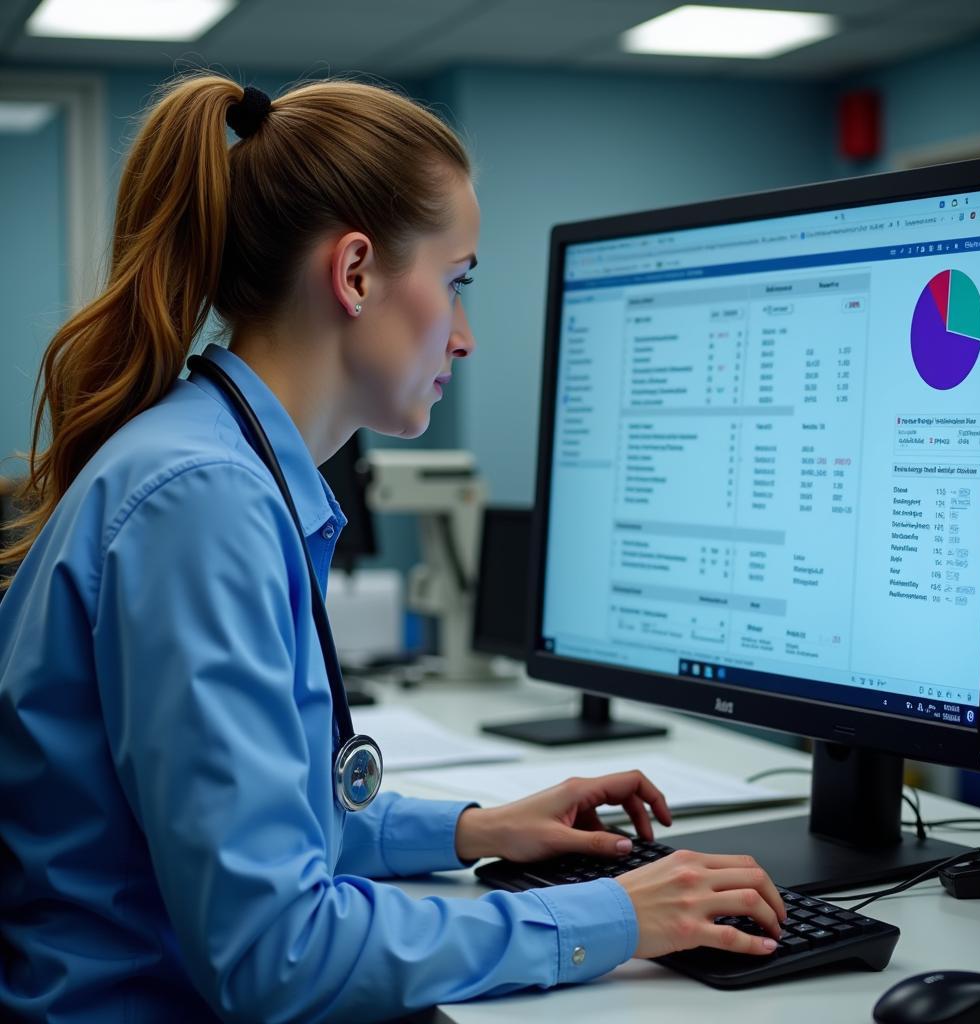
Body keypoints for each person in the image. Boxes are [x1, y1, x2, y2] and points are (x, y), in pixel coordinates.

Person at [0, 74, 786, 1023]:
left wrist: (476, 829)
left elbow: (266, 826)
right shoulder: (203, 501)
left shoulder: (211, 461)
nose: (465, 337)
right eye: (457, 284)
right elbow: (274, 953)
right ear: (357, 273)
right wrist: (612, 916)